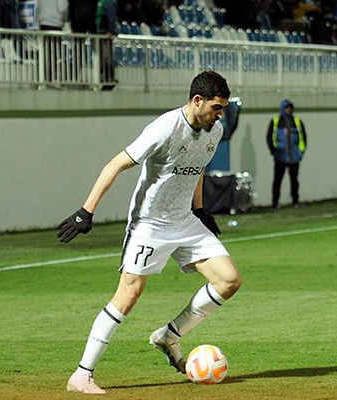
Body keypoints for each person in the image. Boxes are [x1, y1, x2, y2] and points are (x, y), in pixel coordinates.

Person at [59, 71, 242, 394]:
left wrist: (199, 209)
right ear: (197, 100)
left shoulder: (214, 131)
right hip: (149, 225)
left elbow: (197, 167)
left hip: (185, 220)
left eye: (223, 109)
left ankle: (168, 336)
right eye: (216, 107)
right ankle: (82, 375)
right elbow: (116, 164)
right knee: (127, 296)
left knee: (229, 280)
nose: (220, 115)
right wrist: (86, 211)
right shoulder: (164, 128)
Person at [266, 99, 307, 209]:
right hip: (280, 157)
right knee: (277, 180)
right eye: (286, 108)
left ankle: (295, 200)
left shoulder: (297, 121)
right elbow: (269, 137)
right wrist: (274, 151)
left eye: (290, 108)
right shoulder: (275, 121)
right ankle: (275, 202)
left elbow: (303, 138)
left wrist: (300, 152)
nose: (288, 110)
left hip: (294, 157)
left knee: (294, 180)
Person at [39, 0, 68, 85]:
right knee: (54, 53)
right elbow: (62, 7)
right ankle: (50, 78)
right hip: (56, 23)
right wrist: (65, 19)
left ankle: (43, 78)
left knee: (45, 52)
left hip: (43, 22)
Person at [96, 0, 117, 90]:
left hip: (105, 34)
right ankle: (104, 79)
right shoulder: (101, 2)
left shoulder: (108, 2)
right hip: (99, 34)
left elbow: (111, 16)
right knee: (102, 57)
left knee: (106, 57)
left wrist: (110, 30)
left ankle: (109, 79)